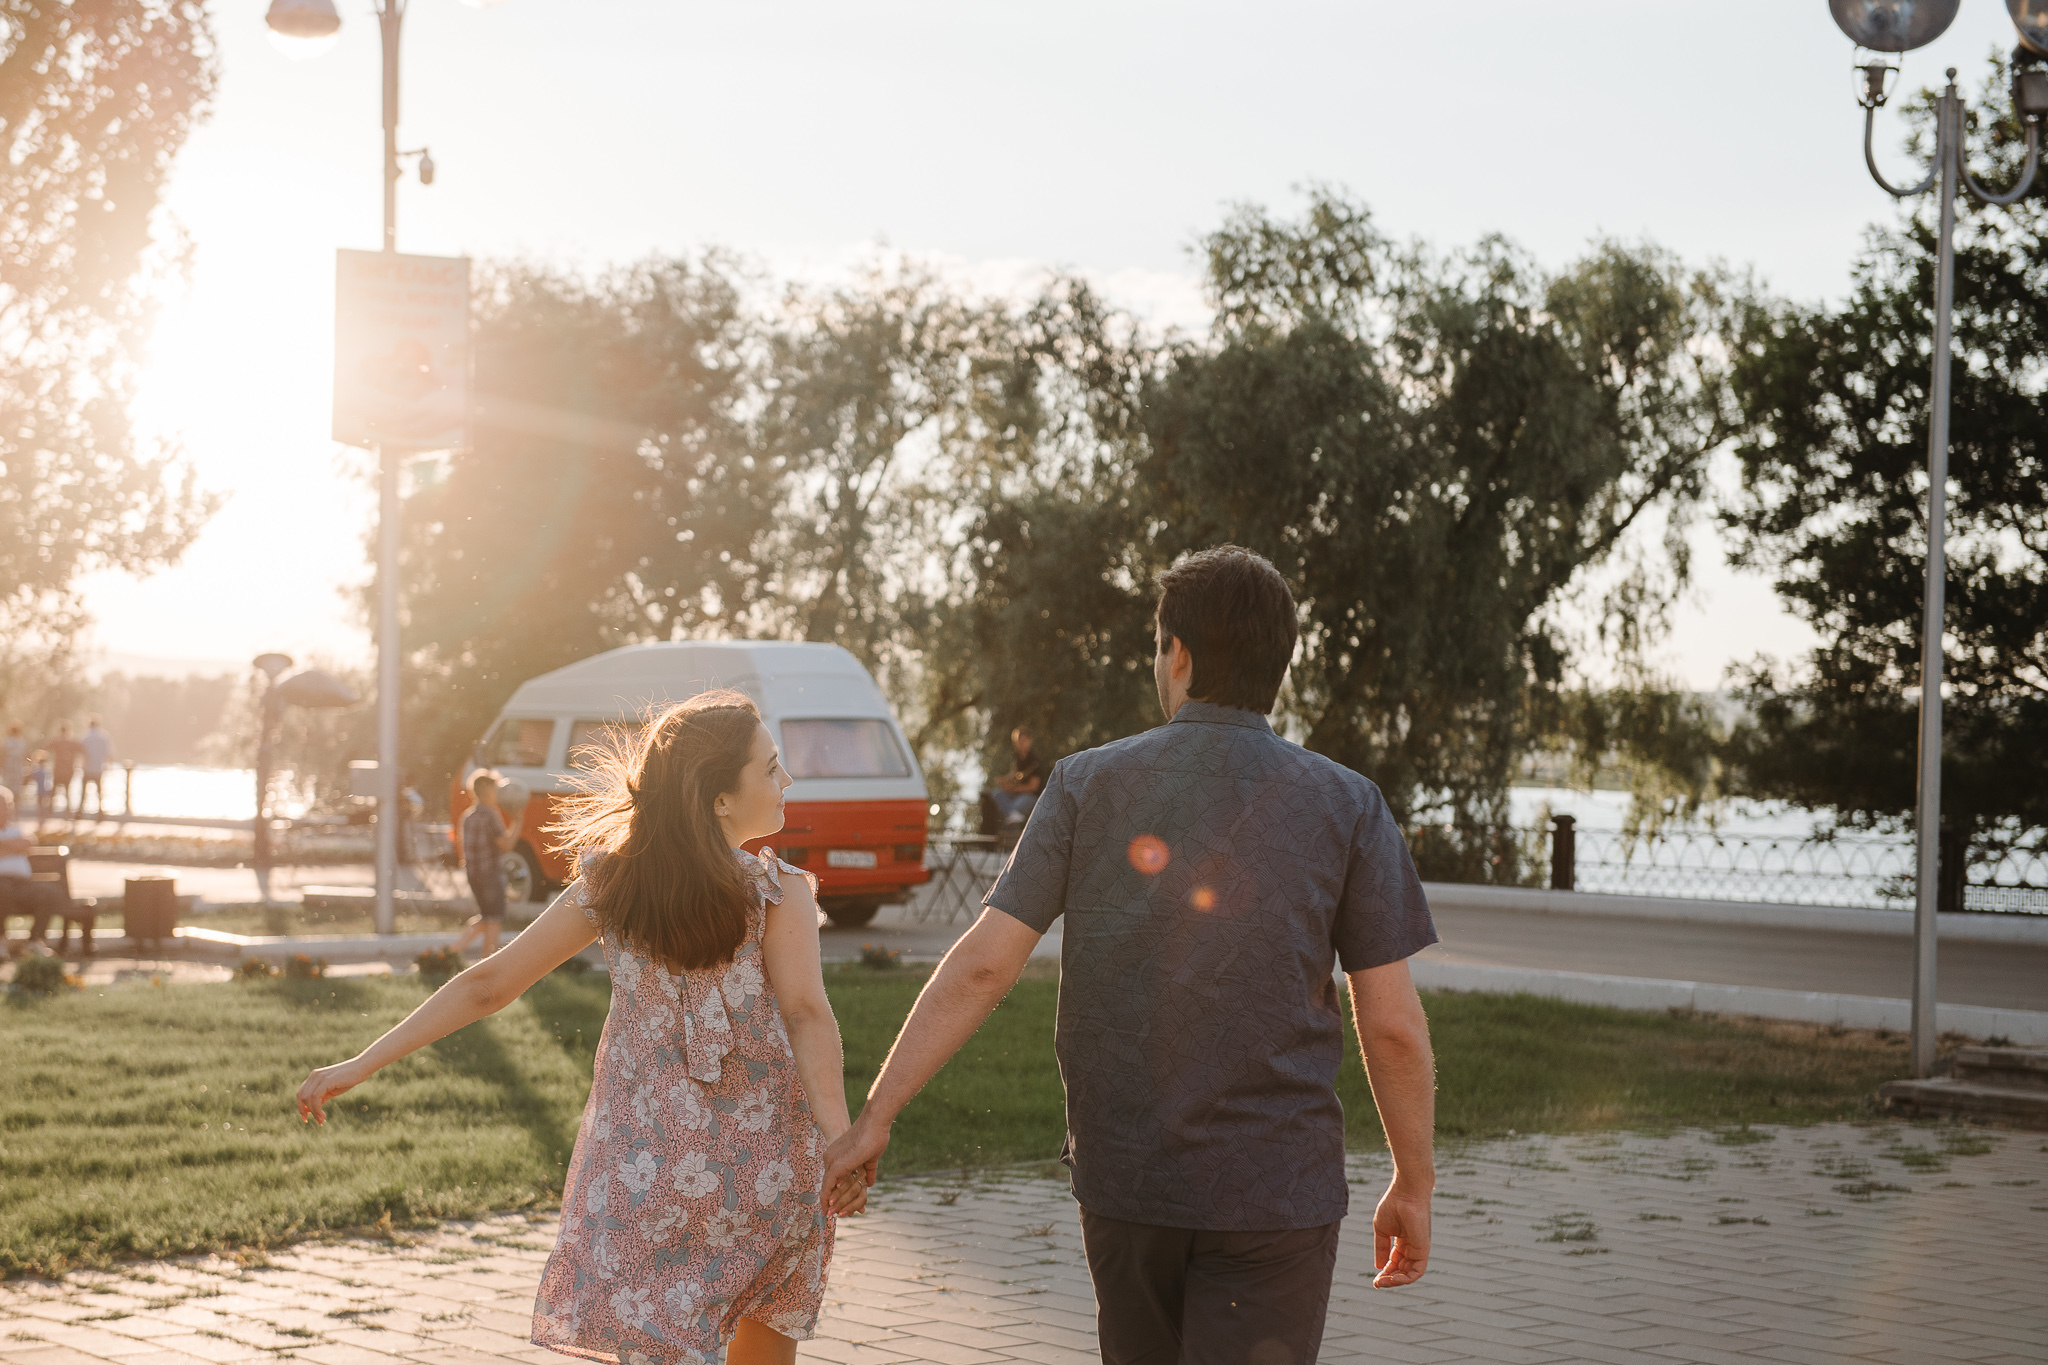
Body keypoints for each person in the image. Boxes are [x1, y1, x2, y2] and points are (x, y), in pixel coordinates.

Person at [823, 546, 1441, 1361]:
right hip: (1276, 1190)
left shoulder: (1085, 782)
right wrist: (1414, 1181)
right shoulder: (1349, 804)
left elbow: (983, 963)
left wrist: (876, 1115)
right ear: (1280, 664)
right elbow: (1391, 1023)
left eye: (1158, 645)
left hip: (1128, 1181)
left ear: (1178, 653)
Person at [296, 692, 866, 1364]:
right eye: (771, 767)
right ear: (718, 797)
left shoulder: (611, 884)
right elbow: (806, 1013)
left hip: (645, 1169)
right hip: (765, 1168)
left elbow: (489, 984)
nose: (786, 780)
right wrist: (839, 1137)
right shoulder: (780, 890)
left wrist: (359, 1063)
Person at [451, 769, 519, 958]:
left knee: (486, 917)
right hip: (491, 875)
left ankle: (452, 952)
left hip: (474, 875)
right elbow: (506, 845)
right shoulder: (491, 814)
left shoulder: (468, 816)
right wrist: (518, 821)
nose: (497, 793)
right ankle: (487, 961)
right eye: (495, 789)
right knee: (494, 920)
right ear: (487, 790)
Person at [0, 787, 66, 951]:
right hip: (2, 884)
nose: (6, 810)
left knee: (49, 892)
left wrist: (5, 847)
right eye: (2, 806)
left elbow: (29, 842)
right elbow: (21, 845)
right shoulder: (15, 834)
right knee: (2, 890)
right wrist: (15, 846)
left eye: (8, 805)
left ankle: (35, 941)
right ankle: (1, 940)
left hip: (22, 884)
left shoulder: (17, 829)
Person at [978, 726, 1047, 834]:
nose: (1020, 744)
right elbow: (1014, 775)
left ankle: (1012, 819)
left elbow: (1033, 787)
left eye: (1023, 740)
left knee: (1017, 807)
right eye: (1018, 741)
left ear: (1029, 741)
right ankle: (1012, 815)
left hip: (1031, 796)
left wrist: (1012, 789)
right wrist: (1004, 781)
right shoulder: (1016, 758)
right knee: (996, 793)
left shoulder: (1034, 761)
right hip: (1015, 793)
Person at [43, 723, 82, 816]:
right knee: (67, 791)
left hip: (58, 770)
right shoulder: (72, 742)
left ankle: (49, 811)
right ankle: (68, 812)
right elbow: (82, 751)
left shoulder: (57, 741)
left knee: (54, 791)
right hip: (68, 771)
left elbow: (46, 747)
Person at [80, 717, 113, 818]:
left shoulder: (85, 738)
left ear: (89, 725)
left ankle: (80, 811)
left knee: (83, 791)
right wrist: (108, 766)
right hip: (98, 768)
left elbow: (81, 753)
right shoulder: (104, 738)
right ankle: (100, 812)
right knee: (99, 791)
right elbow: (109, 754)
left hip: (87, 768)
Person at [2, 723, 25, 808]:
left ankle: (7, 807)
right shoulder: (22, 742)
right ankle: (16, 808)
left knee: (7, 786)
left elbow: (4, 754)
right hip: (18, 766)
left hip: (9, 764)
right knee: (17, 788)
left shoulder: (8, 741)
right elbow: (24, 755)